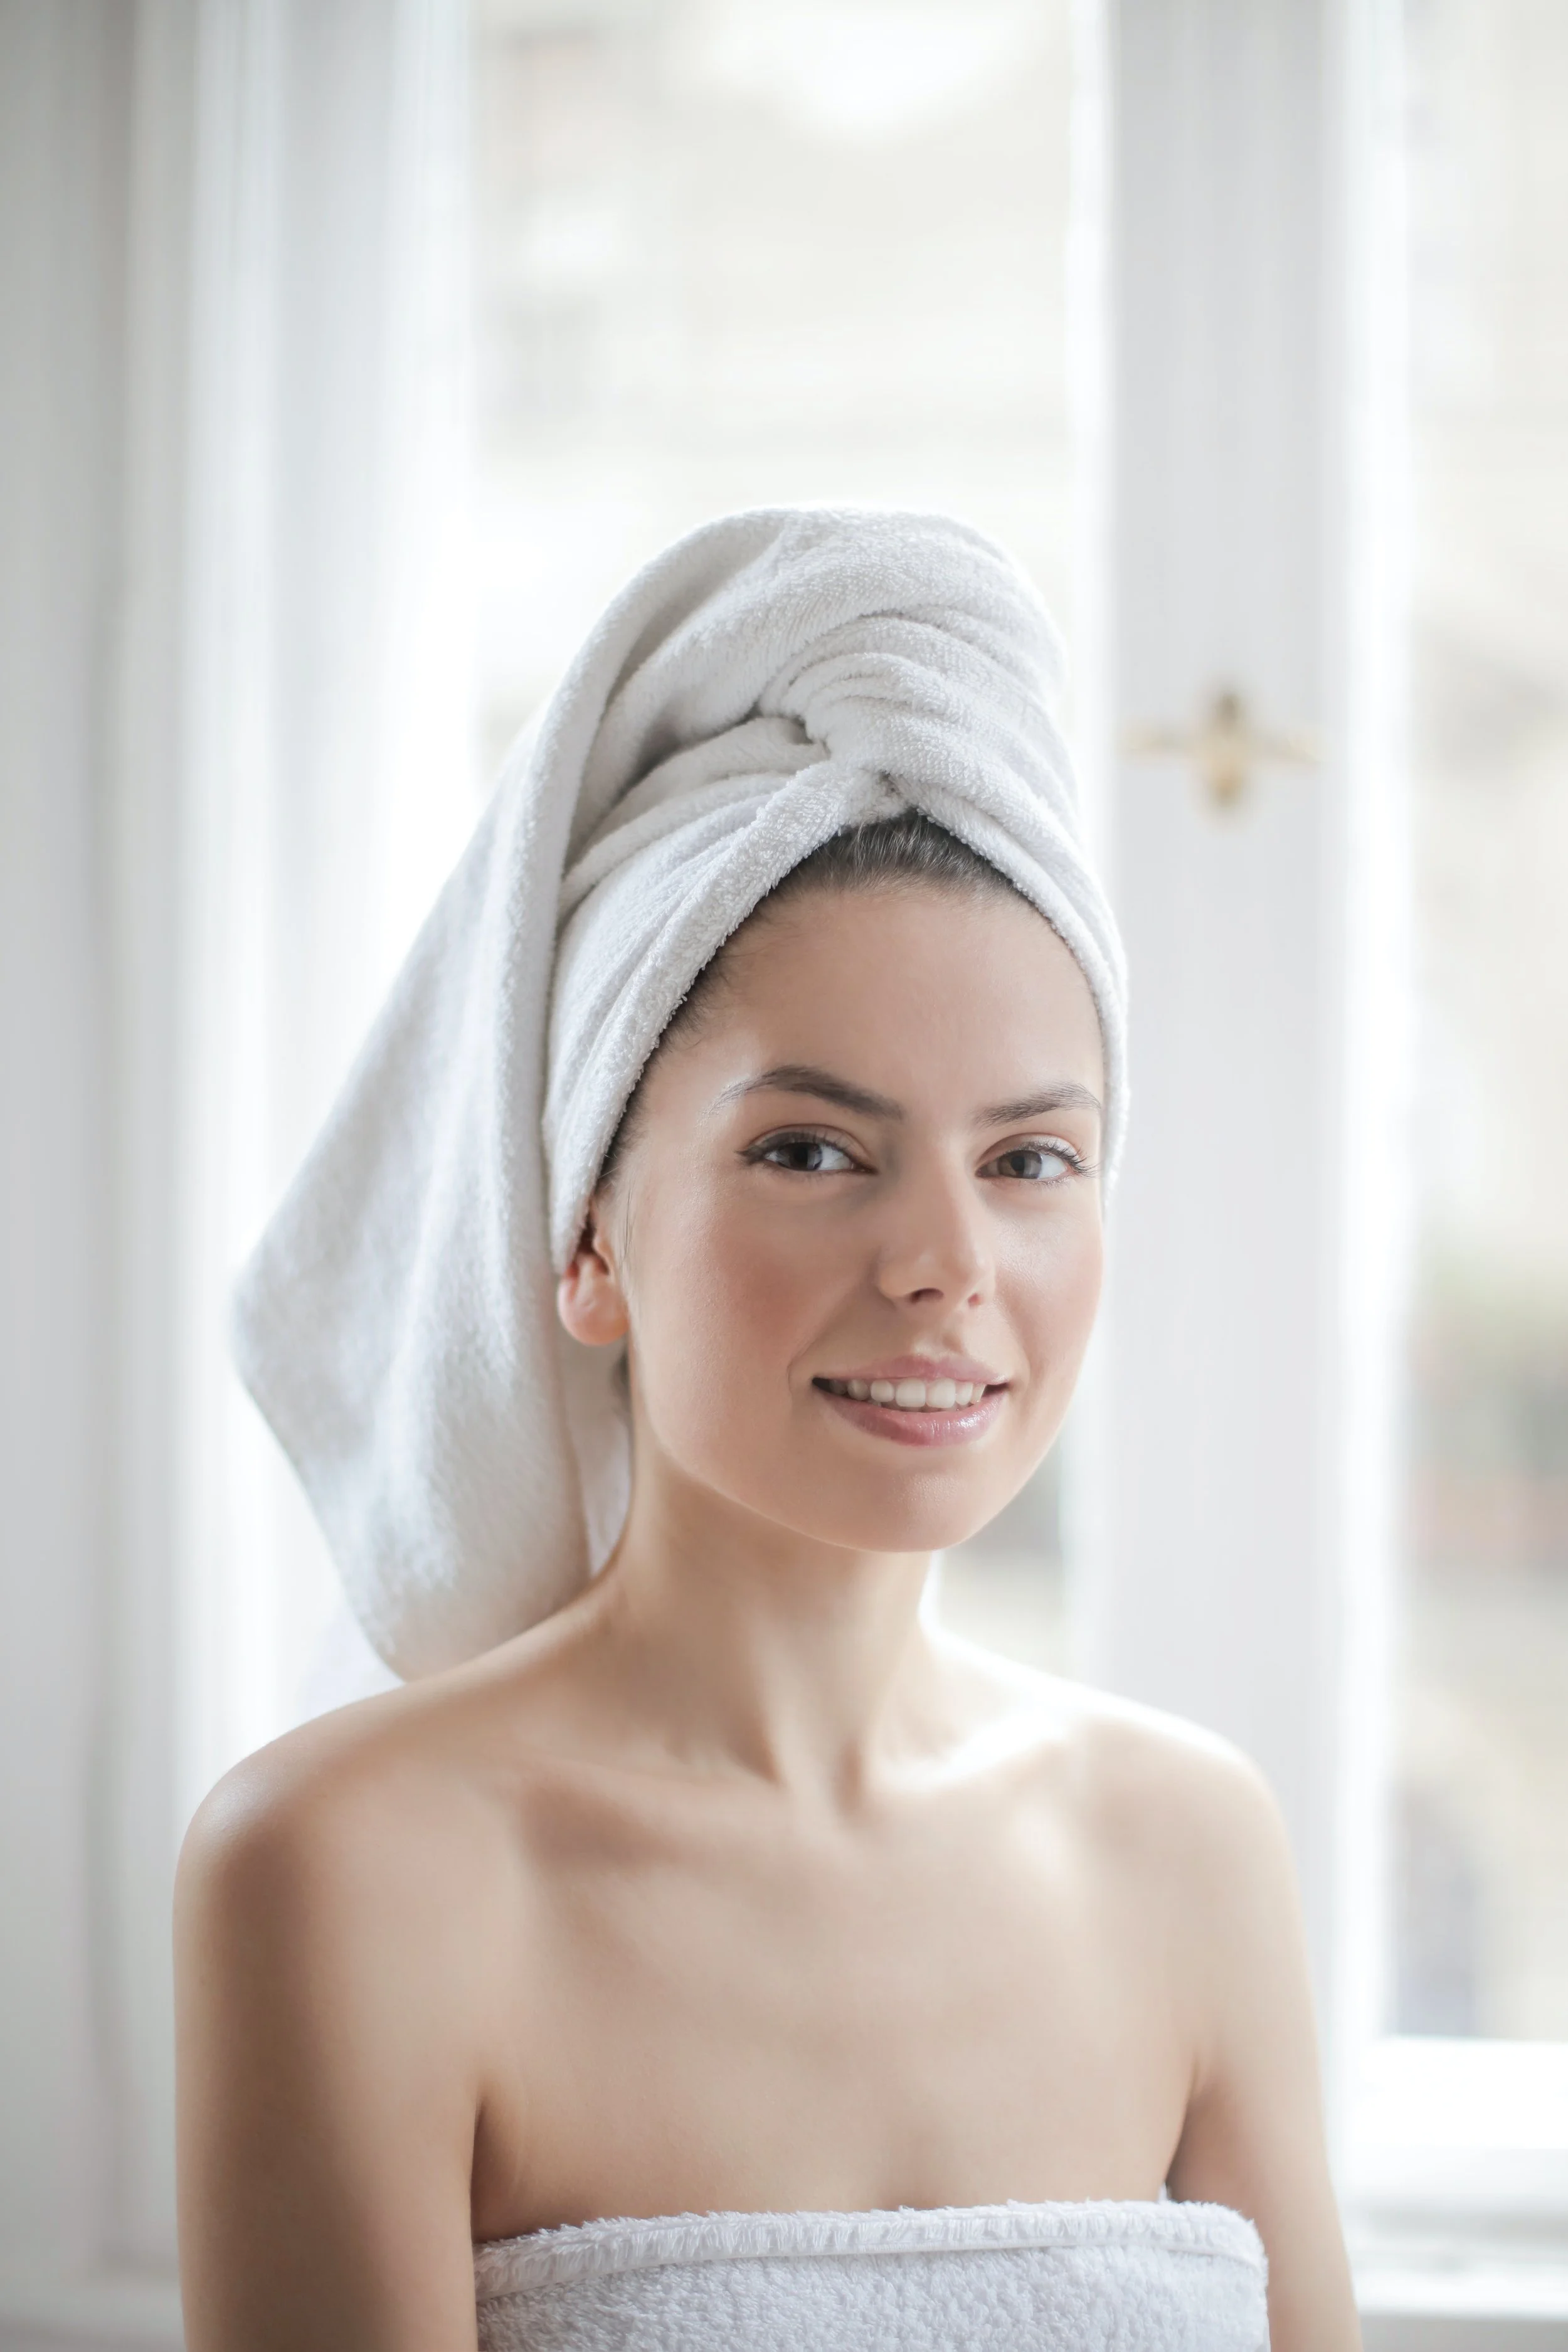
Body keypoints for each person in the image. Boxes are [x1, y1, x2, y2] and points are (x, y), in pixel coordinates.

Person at [174, 509, 1361, 2350]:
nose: (946, 1265)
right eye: (811, 1150)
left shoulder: (1189, 1844)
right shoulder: (348, 1866)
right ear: (584, 1240)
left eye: (1029, 1158)